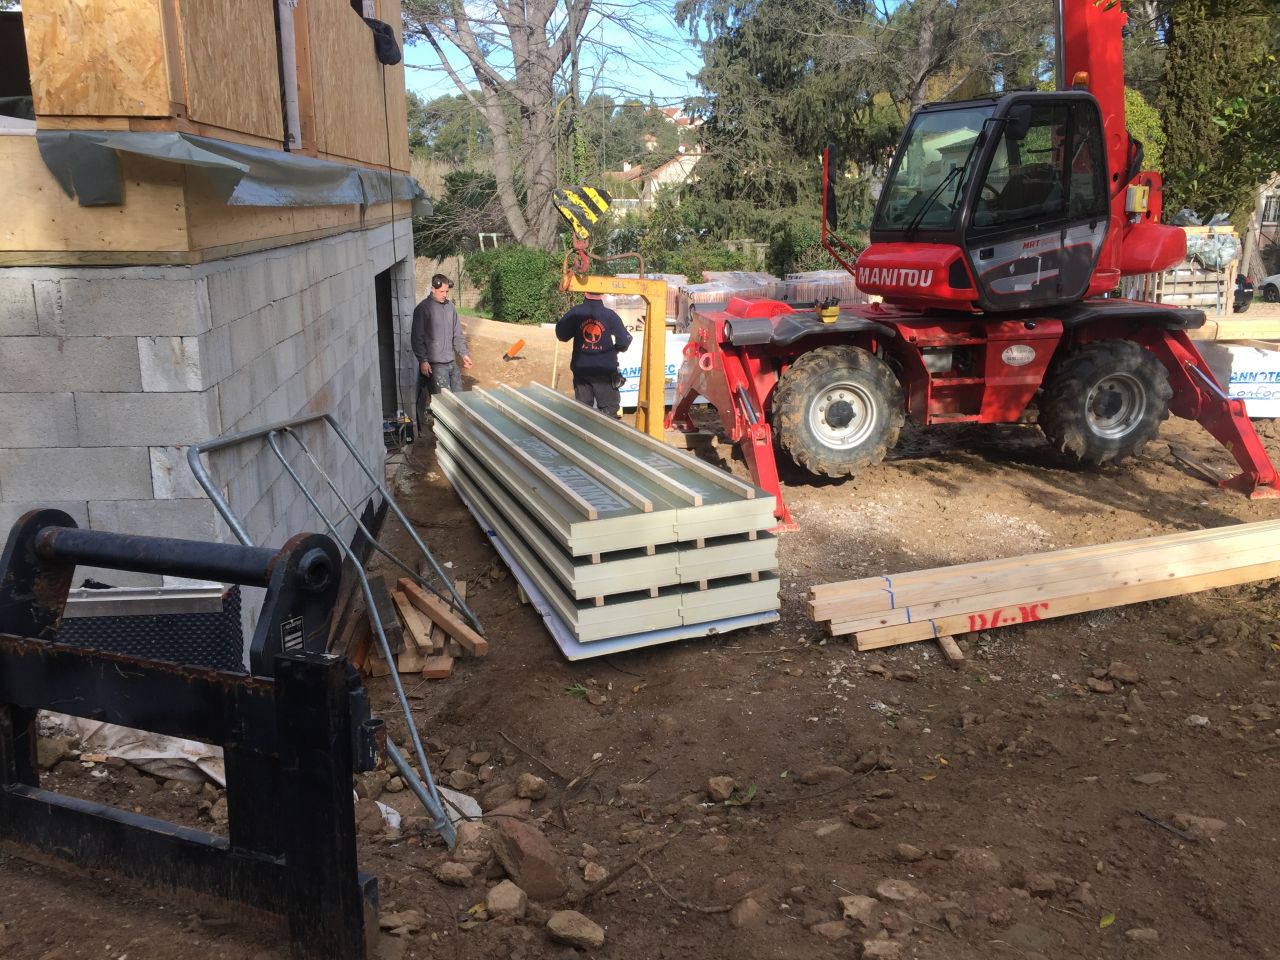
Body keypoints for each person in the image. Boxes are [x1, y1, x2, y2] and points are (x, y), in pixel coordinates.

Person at [555, 292, 633, 418]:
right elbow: (624, 341)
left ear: (585, 293)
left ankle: (583, 436)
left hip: (581, 371)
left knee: (583, 413)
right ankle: (605, 437)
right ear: (602, 294)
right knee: (609, 413)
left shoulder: (575, 313)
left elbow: (561, 335)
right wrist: (615, 350)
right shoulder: (610, 315)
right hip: (604, 372)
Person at [411, 274, 472, 427]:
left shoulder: (450, 307)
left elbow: (457, 334)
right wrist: (423, 360)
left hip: (451, 362)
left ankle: (460, 430)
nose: (444, 295)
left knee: (459, 399)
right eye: (441, 292)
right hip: (435, 364)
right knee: (445, 403)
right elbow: (416, 338)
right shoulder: (423, 309)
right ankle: (445, 433)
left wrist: (463, 354)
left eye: (446, 292)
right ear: (433, 289)